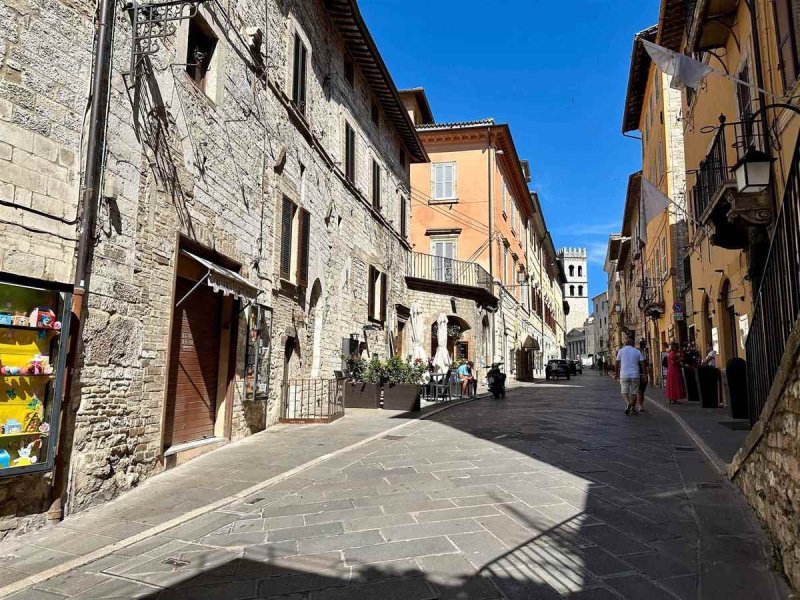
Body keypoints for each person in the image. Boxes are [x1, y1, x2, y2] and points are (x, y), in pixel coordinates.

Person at [615, 336, 645, 415]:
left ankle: (628, 403)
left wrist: (616, 373)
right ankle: (632, 406)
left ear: (625, 344)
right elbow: (642, 363)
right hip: (635, 374)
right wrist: (644, 374)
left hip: (624, 374)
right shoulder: (637, 351)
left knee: (624, 391)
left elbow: (617, 362)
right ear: (633, 344)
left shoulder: (620, 351)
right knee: (634, 392)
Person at [637, 340, 650, 412]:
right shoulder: (644, 358)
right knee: (641, 391)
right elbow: (647, 366)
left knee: (639, 391)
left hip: (638, 376)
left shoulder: (635, 359)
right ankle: (640, 404)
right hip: (643, 376)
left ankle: (639, 405)